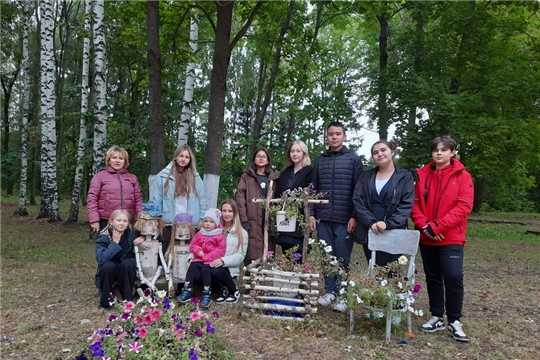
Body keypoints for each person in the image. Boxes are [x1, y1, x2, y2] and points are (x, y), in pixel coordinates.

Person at [410, 135, 474, 342]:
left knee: (453, 275)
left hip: (451, 236)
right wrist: (426, 226)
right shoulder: (422, 175)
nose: (439, 153)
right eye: (436, 149)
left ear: (452, 152)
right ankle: (437, 316)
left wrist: (438, 226)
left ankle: (454, 320)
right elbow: (415, 205)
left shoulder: (462, 176)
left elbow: (464, 206)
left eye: (444, 150)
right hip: (427, 236)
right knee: (433, 276)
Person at [309, 121, 363, 312]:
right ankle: (330, 291)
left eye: (338, 134)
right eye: (330, 134)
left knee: (342, 257)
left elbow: (359, 190)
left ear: (344, 136)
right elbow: (313, 189)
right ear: (327, 136)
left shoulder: (353, 160)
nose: (334, 137)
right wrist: (312, 214)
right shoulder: (320, 160)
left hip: (344, 219)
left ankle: (342, 293)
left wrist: (354, 216)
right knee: (326, 256)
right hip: (323, 218)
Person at [353, 140, 414, 266]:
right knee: (374, 270)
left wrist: (388, 224)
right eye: (375, 152)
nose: (379, 154)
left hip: (394, 231)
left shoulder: (405, 176)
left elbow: (406, 204)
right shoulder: (365, 177)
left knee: (392, 273)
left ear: (391, 152)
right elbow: (358, 202)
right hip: (371, 231)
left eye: (383, 150)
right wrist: (371, 222)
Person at [152, 144, 207, 253]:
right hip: (169, 220)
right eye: (181, 156)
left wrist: (202, 219)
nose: (183, 159)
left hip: (190, 221)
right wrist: (157, 218)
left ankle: (188, 269)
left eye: (187, 157)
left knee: (192, 250)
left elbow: (202, 200)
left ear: (190, 160)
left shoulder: (195, 177)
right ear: (176, 156)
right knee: (162, 247)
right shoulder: (163, 175)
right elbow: (157, 199)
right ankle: (161, 268)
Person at [235, 148, 279, 269]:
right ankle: (250, 282)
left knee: (268, 251)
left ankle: (264, 283)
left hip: (268, 219)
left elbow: (279, 199)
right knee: (251, 251)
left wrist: (275, 222)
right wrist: (244, 219)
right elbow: (240, 198)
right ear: (254, 159)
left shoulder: (274, 178)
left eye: (263, 156)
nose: (261, 158)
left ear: (268, 160)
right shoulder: (247, 176)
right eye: (258, 156)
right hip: (251, 219)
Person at [177, 208, 227, 308]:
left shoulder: (219, 236)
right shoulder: (200, 233)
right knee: (192, 267)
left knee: (205, 270)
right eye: (206, 221)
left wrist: (206, 256)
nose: (208, 224)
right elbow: (193, 244)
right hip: (199, 259)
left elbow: (221, 250)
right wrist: (198, 251)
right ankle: (187, 289)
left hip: (210, 261)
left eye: (211, 222)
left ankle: (207, 293)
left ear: (216, 224)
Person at [95, 209, 145, 309]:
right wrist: (114, 243)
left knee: (128, 263)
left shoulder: (132, 233)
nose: (122, 223)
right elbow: (101, 259)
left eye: (125, 221)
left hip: (125, 268)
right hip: (110, 269)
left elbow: (154, 234)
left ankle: (128, 300)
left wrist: (143, 237)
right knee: (107, 266)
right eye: (118, 220)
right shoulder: (103, 236)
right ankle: (105, 302)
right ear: (111, 221)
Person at [88, 146, 143, 232]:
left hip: (127, 220)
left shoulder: (132, 178)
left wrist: (140, 218)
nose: (117, 161)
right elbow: (92, 199)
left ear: (125, 161)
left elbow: (138, 200)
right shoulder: (99, 176)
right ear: (109, 160)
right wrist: (94, 220)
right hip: (106, 220)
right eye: (114, 158)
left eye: (121, 158)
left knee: (126, 245)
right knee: (106, 245)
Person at [274, 140, 313, 254]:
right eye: (292, 151)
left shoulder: (310, 172)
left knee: (300, 254)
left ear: (304, 153)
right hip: (285, 219)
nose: (295, 154)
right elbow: (278, 194)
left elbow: (312, 194)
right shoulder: (285, 173)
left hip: (300, 220)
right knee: (287, 253)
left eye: (298, 151)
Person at [210, 199, 248, 304]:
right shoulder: (213, 228)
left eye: (230, 211)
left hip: (227, 266)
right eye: (224, 210)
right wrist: (192, 258)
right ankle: (220, 290)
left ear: (235, 213)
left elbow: (241, 255)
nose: (227, 214)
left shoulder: (241, 233)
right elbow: (200, 243)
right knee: (199, 272)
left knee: (214, 270)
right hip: (210, 261)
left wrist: (223, 260)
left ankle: (233, 290)